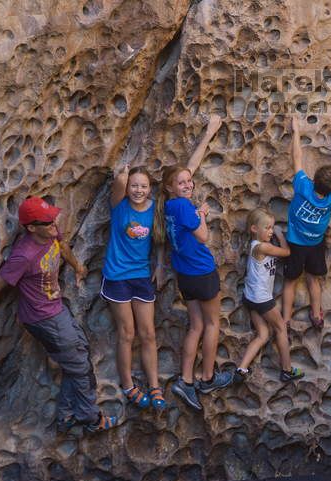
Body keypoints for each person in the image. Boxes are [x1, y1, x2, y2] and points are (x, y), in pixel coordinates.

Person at [0, 197, 119, 433]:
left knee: (79, 355)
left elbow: (63, 245)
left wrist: (78, 267)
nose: (53, 224)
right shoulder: (23, 256)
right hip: (42, 318)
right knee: (80, 367)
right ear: (31, 227)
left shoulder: (50, 233)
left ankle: (66, 417)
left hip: (55, 309)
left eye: (53, 218)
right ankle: (90, 419)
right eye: (47, 222)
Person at [157, 114, 234, 411]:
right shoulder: (185, 206)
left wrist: (209, 132)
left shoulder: (168, 206)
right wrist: (202, 214)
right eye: (182, 183)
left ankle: (185, 381)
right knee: (213, 324)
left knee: (195, 326)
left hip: (184, 275)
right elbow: (203, 237)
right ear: (171, 187)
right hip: (203, 272)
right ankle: (207, 377)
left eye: (189, 181)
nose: (188, 184)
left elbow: (190, 166)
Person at [101, 164, 167, 411]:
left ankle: (154, 385)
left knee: (148, 333)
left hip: (141, 276)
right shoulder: (119, 205)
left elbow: (159, 239)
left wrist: (160, 266)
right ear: (128, 188)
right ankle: (128, 385)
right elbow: (118, 183)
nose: (138, 190)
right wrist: (123, 173)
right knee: (127, 333)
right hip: (117, 276)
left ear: (150, 189)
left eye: (143, 186)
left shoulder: (154, 210)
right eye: (134, 185)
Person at [281, 116, 331, 331]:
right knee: (313, 279)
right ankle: (316, 314)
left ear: (314, 179)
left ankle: (285, 320)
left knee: (290, 282)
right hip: (315, 244)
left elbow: (297, 158)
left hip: (294, 242)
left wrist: (296, 132)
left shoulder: (303, 187)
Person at [237, 207, 303, 382]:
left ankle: (241, 368)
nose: (271, 231)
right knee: (281, 328)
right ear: (254, 229)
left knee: (263, 334)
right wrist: (281, 236)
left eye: (272, 228)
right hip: (262, 299)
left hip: (250, 297)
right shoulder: (263, 246)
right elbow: (287, 253)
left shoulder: (255, 246)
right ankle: (287, 370)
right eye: (267, 228)